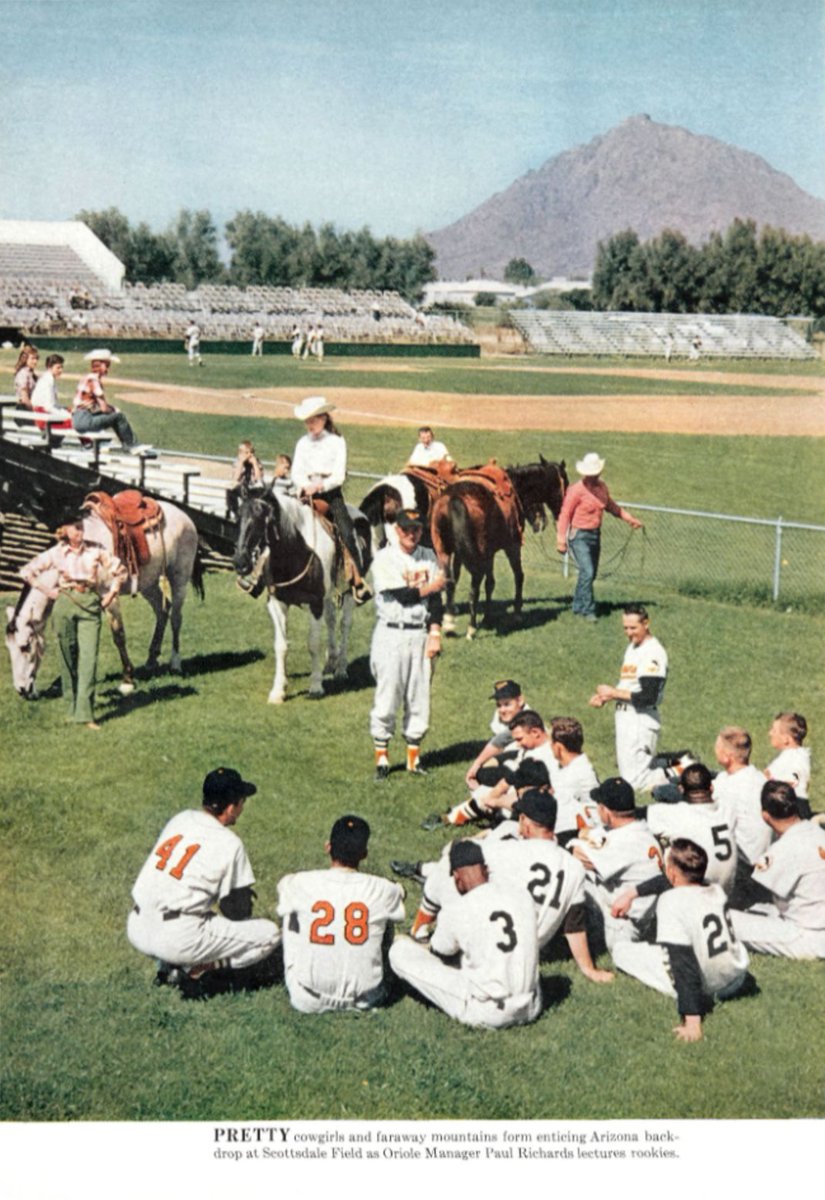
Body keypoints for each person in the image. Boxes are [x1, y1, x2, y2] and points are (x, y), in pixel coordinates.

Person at [401, 791, 614, 988]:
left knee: (447, 867)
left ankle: (421, 933)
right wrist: (589, 968)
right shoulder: (574, 867)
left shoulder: (508, 852)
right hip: (533, 949)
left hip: (496, 941)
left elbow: (459, 859)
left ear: (525, 822)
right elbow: (574, 926)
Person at [127, 767, 281, 991]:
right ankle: (198, 969)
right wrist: (243, 899)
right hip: (178, 938)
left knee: (194, 910)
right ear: (230, 808)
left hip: (137, 926)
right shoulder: (230, 843)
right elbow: (236, 913)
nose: (242, 807)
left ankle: (168, 968)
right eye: (241, 802)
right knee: (270, 934)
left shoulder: (180, 819)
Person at [389, 840, 542, 1029]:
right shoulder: (521, 895)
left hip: (488, 1012)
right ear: (485, 869)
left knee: (399, 951)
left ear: (456, 877)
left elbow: (440, 954)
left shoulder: (457, 910)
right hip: (532, 1005)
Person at [611, 839, 750, 1043]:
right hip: (736, 977)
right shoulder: (715, 889)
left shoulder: (671, 902)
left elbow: (682, 962)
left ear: (672, 873)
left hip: (707, 987)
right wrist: (632, 894)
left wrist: (692, 1021)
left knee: (621, 951)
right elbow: (668, 881)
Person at [276, 815, 405, 1013]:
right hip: (367, 998)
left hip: (307, 999)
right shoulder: (382, 888)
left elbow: (283, 885)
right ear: (364, 854)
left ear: (328, 847)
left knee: (290, 911)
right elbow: (400, 893)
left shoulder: (302, 882)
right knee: (388, 913)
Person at [19, 516, 127, 728]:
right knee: (66, 656)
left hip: (90, 604)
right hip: (64, 603)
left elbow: (120, 571)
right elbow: (27, 571)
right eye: (74, 528)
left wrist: (111, 593)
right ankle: (71, 706)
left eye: (81, 528)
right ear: (65, 531)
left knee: (89, 657)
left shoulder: (96, 550)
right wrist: (48, 591)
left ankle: (86, 714)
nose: (79, 532)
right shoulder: (56, 552)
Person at [369, 507, 446, 779]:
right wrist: (433, 586)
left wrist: (435, 633)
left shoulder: (428, 557)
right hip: (391, 633)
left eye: (416, 529)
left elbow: (435, 602)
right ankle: (382, 759)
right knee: (388, 694)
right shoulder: (384, 559)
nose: (411, 534)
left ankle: (413, 759)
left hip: (420, 634)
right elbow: (404, 595)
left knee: (419, 695)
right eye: (406, 529)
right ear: (396, 530)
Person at [730, 781, 825, 959]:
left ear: (765, 816)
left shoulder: (782, 849)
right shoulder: (819, 833)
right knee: (759, 908)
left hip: (808, 935)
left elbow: (751, 891)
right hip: (816, 920)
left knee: (726, 920)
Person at [569, 776, 664, 951]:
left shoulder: (624, 841)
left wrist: (574, 845)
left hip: (620, 927)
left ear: (606, 811)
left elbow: (582, 858)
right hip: (642, 918)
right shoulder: (641, 830)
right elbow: (592, 834)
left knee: (569, 881)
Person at [291, 395, 369, 600]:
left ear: (324, 418)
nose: (309, 424)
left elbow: (339, 475)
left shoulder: (337, 441)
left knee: (346, 529)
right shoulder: (302, 443)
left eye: (313, 420)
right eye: (307, 421)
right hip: (304, 490)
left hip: (330, 492)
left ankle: (357, 580)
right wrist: (303, 485)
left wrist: (320, 486)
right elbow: (296, 471)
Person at [555, 452, 643, 621]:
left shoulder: (602, 488)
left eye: (595, 473)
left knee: (590, 573)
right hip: (579, 535)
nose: (593, 476)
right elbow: (565, 514)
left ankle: (578, 605)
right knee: (587, 571)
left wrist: (630, 519)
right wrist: (561, 539)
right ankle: (589, 610)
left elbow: (611, 506)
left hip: (595, 535)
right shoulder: (576, 490)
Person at [589, 604, 668, 791]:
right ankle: (671, 764)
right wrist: (606, 697)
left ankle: (680, 768)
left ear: (646, 623)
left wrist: (613, 693)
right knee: (630, 775)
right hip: (626, 717)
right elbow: (628, 685)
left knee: (634, 782)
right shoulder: (633, 647)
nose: (629, 633)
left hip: (640, 719)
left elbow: (648, 696)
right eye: (625, 628)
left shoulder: (653, 653)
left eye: (633, 628)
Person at [645, 763, 738, 893]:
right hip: (727, 891)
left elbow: (633, 814)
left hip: (694, 892)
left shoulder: (676, 814)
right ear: (711, 788)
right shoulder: (728, 809)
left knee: (658, 843)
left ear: (681, 789)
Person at [712, 726, 774, 874]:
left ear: (727, 757)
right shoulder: (759, 778)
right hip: (766, 860)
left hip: (745, 865)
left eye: (718, 748)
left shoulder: (728, 788)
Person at [72, 349, 152, 454]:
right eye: (107, 365)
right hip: (84, 421)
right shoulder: (94, 380)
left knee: (111, 416)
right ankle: (131, 445)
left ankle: (106, 441)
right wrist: (114, 410)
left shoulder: (86, 377)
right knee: (119, 417)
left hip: (78, 418)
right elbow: (104, 408)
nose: (108, 369)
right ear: (101, 366)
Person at [547, 716, 602, 844]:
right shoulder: (576, 764)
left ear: (558, 747)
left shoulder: (574, 775)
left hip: (588, 831)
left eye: (551, 743)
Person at [765, 711, 811, 816]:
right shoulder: (798, 756)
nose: (770, 733)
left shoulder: (792, 758)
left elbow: (791, 783)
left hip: (792, 809)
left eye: (774, 730)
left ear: (786, 738)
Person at [30, 353, 73, 434]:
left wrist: (66, 409)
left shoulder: (49, 379)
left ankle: (88, 443)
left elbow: (52, 404)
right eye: (58, 368)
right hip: (44, 419)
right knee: (75, 423)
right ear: (49, 367)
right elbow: (48, 407)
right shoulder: (47, 382)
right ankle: (88, 444)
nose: (61, 370)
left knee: (75, 416)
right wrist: (67, 415)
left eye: (62, 367)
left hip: (47, 416)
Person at [226, 439, 265, 519]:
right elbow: (235, 478)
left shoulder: (257, 463)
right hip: (242, 488)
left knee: (258, 490)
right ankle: (235, 513)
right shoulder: (238, 462)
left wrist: (254, 464)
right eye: (242, 452)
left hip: (254, 490)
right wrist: (241, 463)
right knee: (230, 489)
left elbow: (259, 479)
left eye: (249, 453)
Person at [13, 344, 39, 410]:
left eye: (37, 358)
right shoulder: (23, 374)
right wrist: (34, 410)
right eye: (32, 358)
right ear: (25, 359)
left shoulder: (31, 373)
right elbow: (24, 397)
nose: (35, 361)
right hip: (24, 409)